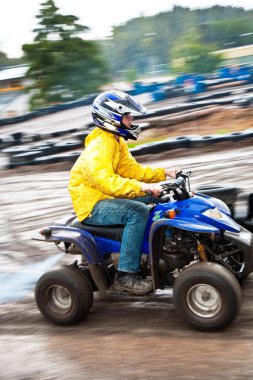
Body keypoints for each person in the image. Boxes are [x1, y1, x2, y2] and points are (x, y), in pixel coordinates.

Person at [68, 90, 180, 295]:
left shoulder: (115, 141)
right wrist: (142, 187)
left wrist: (164, 174)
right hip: (93, 204)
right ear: (112, 118)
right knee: (137, 211)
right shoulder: (99, 146)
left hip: (106, 196)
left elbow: (133, 171)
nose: (132, 119)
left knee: (159, 195)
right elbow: (106, 182)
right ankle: (126, 275)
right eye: (127, 115)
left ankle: (168, 245)